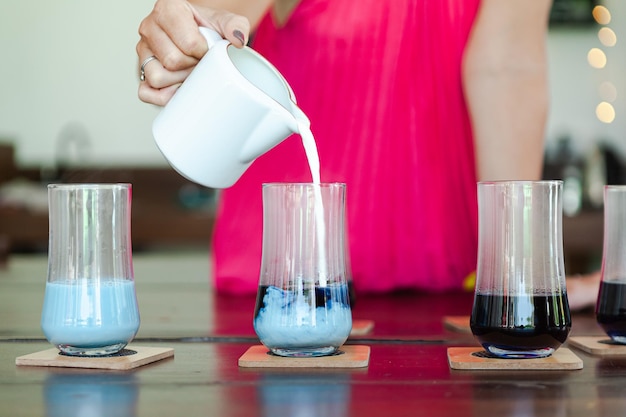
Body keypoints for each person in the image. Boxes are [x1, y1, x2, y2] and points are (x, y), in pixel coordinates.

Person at [136, 0, 599, 309]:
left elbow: (507, 66)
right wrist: (189, 33)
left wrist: (518, 267)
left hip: (445, 268)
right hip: (283, 275)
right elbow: (225, 10)